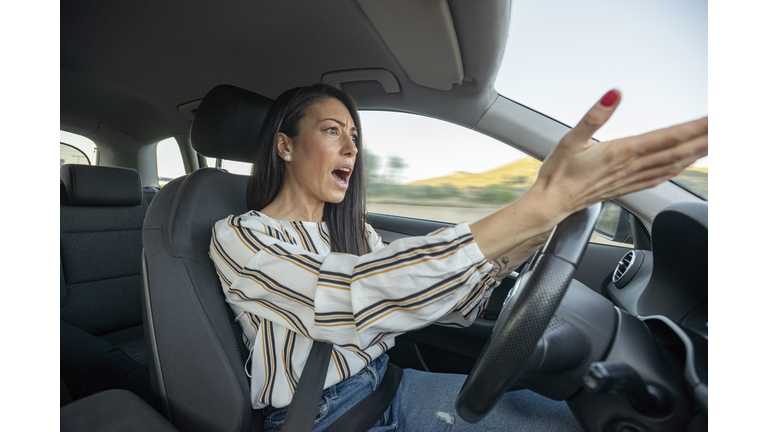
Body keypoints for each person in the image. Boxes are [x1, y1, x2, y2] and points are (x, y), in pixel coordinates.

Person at [209, 84, 708, 431]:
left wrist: (528, 238)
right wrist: (531, 207)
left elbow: (439, 306)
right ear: (285, 146)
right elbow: (350, 295)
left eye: (355, 137)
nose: (351, 148)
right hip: (324, 416)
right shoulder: (241, 236)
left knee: (562, 419)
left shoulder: (353, 230)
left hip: (387, 386)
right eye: (333, 131)